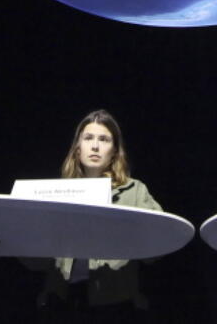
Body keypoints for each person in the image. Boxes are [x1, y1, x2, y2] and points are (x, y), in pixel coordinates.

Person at [37, 109, 162, 322]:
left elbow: (157, 247)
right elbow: (34, 260)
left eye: (104, 139)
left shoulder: (134, 191)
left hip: (115, 304)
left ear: (114, 151)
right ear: (77, 148)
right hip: (61, 302)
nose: (95, 146)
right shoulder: (56, 191)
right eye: (88, 138)